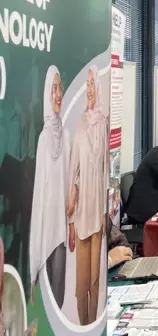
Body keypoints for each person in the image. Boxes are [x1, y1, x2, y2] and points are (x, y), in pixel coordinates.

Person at [66, 66, 109, 326]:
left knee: (96, 278)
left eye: (93, 83)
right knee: (82, 279)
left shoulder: (104, 123)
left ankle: (94, 326)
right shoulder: (80, 124)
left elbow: (105, 169)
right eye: (88, 84)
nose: (89, 89)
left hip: (98, 209)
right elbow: (73, 171)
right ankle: (84, 325)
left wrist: (105, 210)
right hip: (82, 210)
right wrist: (70, 220)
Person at [30, 66, 69, 307]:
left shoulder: (65, 135)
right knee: (48, 305)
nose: (58, 94)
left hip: (62, 233)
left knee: (60, 301)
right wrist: (34, 263)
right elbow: (38, 198)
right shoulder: (45, 139)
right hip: (47, 234)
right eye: (53, 88)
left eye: (60, 87)